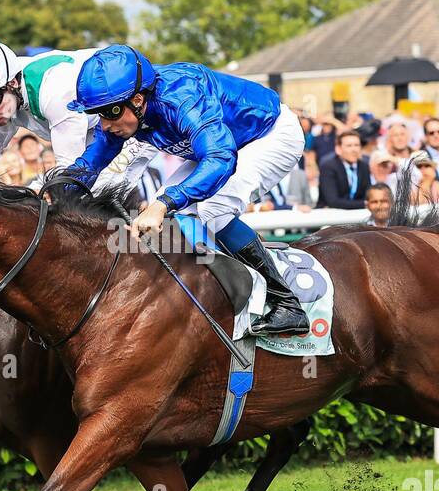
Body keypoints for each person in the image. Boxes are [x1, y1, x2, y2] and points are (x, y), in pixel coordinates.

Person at [65, 44, 309, 336]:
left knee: (208, 208)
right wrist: (64, 186)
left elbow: (221, 158)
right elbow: (97, 155)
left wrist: (165, 202)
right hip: (220, 146)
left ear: (138, 100)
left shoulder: (181, 97)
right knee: (168, 210)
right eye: (98, 115)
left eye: (108, 114)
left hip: (269, 134)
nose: (105, 125)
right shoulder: (130, 110)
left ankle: (287, 303)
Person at [0, 36, 130, 184]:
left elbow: (70, 176)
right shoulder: (6, 99)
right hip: (100, 129)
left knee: (100, 195)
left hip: (133, 119)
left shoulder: (54, 92)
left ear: (13, 83)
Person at [317, 131, 371, 208]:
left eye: (357, 145)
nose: (354, 149)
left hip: (357, 215)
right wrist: (364, 204)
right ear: (338, 149)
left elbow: (367, 196)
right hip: (330, 215)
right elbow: (333, 201)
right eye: (349, 146)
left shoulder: (364, 166)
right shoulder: (328, 167)